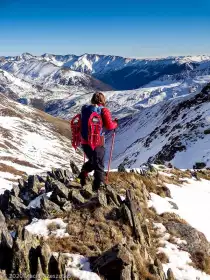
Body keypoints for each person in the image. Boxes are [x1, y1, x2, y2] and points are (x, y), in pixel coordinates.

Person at [78, 92, 118, 191]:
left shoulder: (85, 109)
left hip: (84, 142)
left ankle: (83, 174)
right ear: (103, 100)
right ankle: (98, 188)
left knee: (94, 161)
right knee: (99, 164)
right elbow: (109, 125)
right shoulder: (103, 110)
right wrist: (115, 123)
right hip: (97, 142)